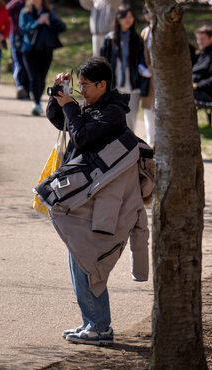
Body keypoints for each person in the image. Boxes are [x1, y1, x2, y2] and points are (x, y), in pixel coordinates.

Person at [45, 57, 148, 347]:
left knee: (89, 262)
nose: (81, 91)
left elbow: (84, 137)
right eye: (78, 86)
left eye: (85, 86)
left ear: (102, 85)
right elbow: (62, 123)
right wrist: (57, 98)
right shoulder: (94, 106)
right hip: (85, 197)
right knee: (79, 259)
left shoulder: (113, 113)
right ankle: (92, 322)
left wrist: (70, 107)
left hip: (101, 203)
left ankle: (100, 327)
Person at [99, 6, 149, 132]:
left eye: (131, 17)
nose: (128, 20)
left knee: (131, 116)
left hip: (132, 84)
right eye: (125, 17)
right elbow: (102, 61)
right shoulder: (109, 39)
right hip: (114, 84)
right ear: (118, 19)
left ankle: (129, 145)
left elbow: (142, 60)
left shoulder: (137, 39)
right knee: (112, 115)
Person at [19, 0, 67, 116]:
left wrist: (48, 22)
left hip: (46, 49)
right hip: (29, 50)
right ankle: (37, 103)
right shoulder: (25, 11)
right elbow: (23, 29)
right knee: (33, 77)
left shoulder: (49, 12)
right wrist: (37, 22)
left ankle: (38, 100)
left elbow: (61, 27)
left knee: (42, 77)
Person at [6, 0, 31, 100]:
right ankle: (19, 86)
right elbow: (5, 13)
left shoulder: (30, 3)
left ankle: (26, 89)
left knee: (27, 64)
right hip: (16, 35)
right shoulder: (17, 3)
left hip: (28, 36)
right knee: (18, 63)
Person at [139, 7, 155, 145]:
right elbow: (140, 55)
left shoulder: (164, 30)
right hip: (148, 78)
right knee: (148, 111)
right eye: (146, 12)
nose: (148, 14)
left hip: (162, 78)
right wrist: (143, 69)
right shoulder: (144, 32)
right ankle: (151, 143)